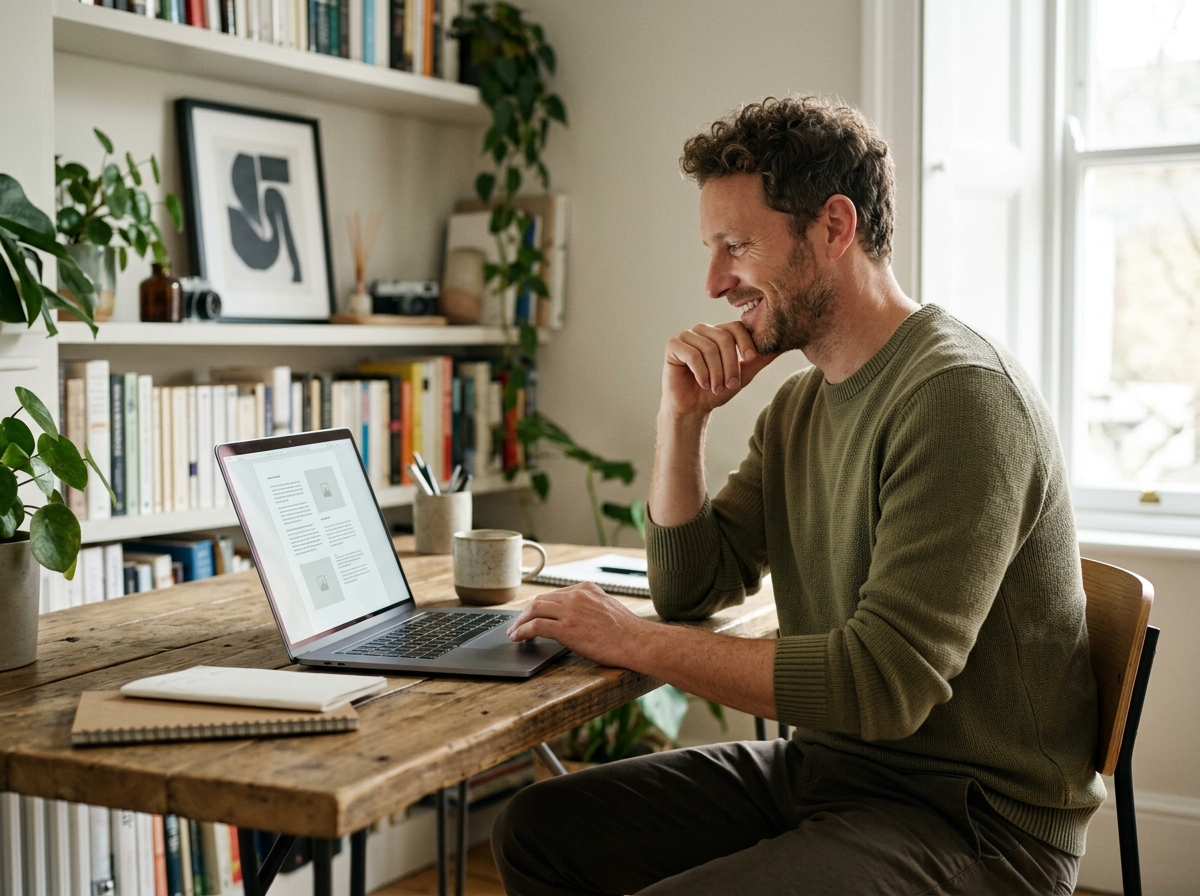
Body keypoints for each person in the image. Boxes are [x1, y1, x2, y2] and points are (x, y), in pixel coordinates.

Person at [493, 95, 1104, 895]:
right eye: (712, 250)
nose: (715, 283)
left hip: (976, 824)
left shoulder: (959, 397)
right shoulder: (803, 403)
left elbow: (882, 686)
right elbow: (689, 590)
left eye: (737, 247)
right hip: (831, 773)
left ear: (834, 227)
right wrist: (680, 421)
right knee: (541, 831)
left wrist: (634, 642)